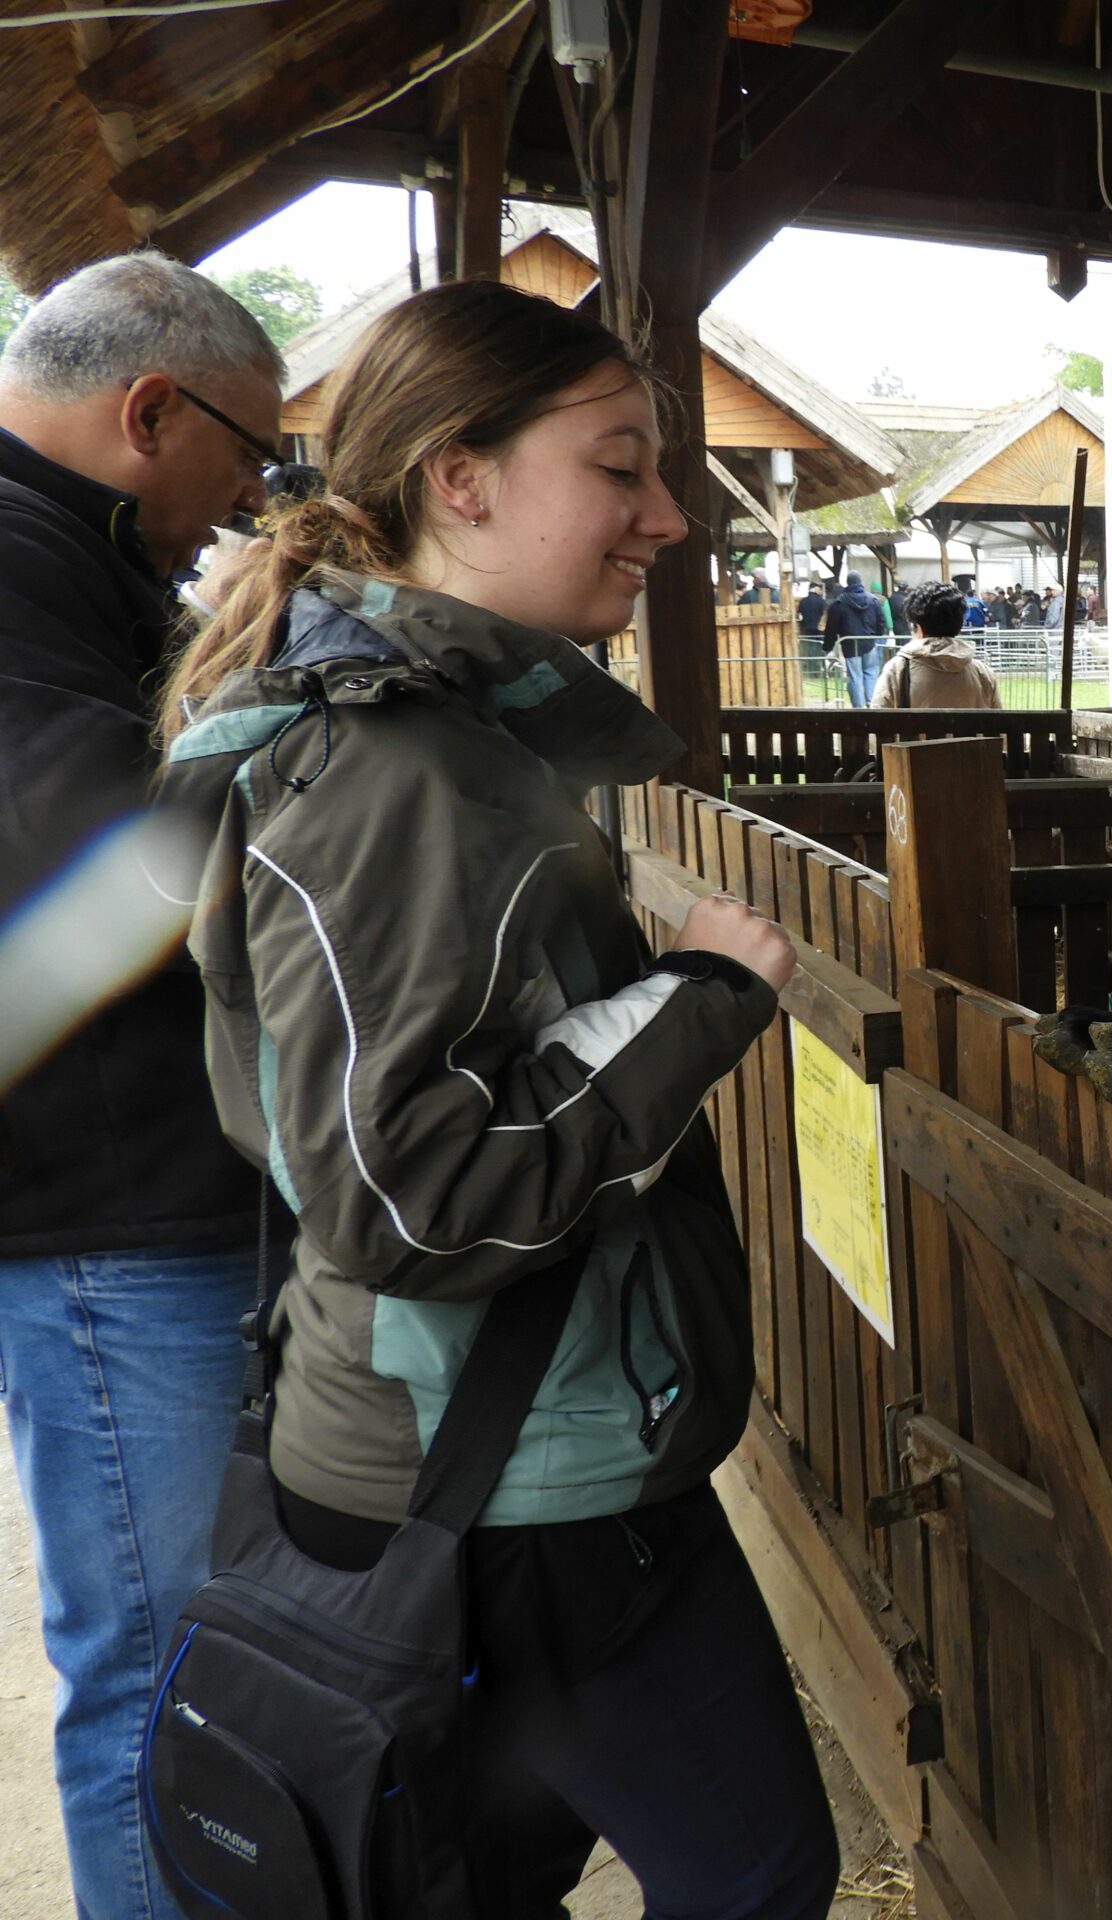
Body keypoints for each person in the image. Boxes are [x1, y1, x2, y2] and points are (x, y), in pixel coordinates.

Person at [153, 279, 840, 1917]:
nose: (668, 515)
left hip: (467, 1454)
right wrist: (705, 999)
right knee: (754, 1873)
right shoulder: (395, 764)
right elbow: (414, 1195)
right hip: (509, 1475)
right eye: (620, 467)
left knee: (480, 1881)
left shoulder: (442, 733)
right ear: (459, 478)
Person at [0, 249, 278, 1920]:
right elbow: (93, 867)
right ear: (150, 411)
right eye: (248, 455)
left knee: (195, 1659)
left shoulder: (66, 559)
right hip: (101, 1214)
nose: (249, 499)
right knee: (163, 1678)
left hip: (125, 1190)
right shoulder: (18, 569)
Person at [873, 579, 1002, 709]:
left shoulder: (897, 670)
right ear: (958, 624)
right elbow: (999, 724)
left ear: (918, 627)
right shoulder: (983, 673)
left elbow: (876, 722)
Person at [823, 571, 889, 706]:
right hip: (869, 642)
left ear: (848, 583)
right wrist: (876, 635)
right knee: (871, 673)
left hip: (849, 644)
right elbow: (881, 621)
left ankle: (858, 708)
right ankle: (872, 703)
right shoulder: (873, 600)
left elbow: (831, 627)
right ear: (860, 582)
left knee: (855, 676)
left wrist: (828, 646)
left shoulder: (839, 603)